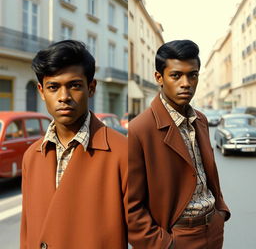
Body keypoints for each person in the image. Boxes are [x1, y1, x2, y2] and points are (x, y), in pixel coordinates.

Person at [20, 40, 128, 249]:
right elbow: (27, 230)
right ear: (42, 92)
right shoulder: (31, 156)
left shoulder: (123, 153)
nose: (64, 97)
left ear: (91, 87)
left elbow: (143, 232)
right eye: (53, 87)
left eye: (75, 85)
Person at [128, 40, 230, 249]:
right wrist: (164, 244)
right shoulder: (139, 130)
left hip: (213, 230)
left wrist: (221, 211)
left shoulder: (200, 120)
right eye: (176, 75)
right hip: (176, 237)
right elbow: (130, 207)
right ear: (159, 77)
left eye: (192, 75)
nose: (186, 83)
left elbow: (208, 174)